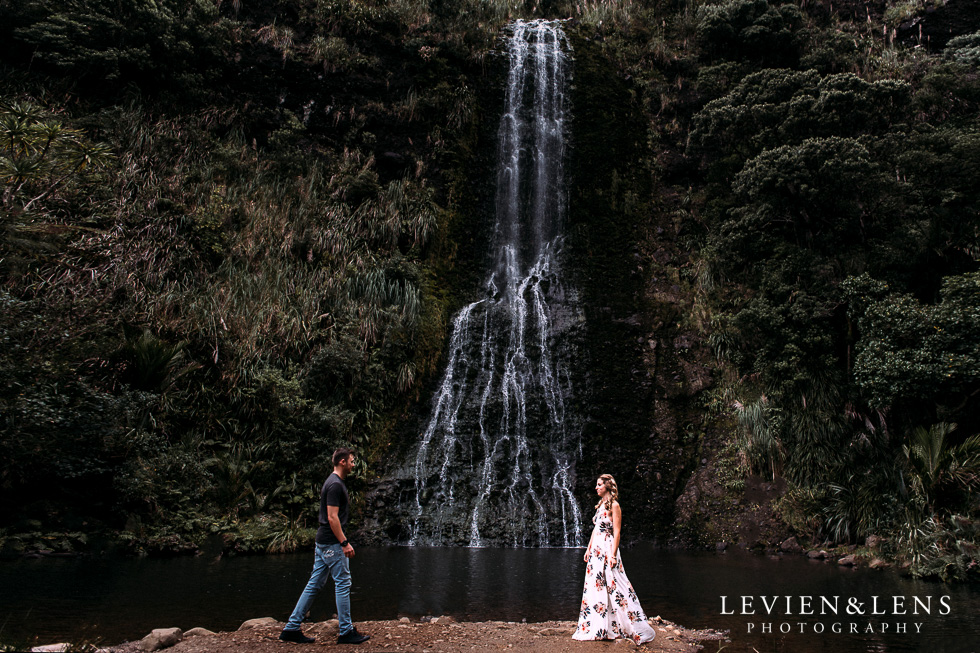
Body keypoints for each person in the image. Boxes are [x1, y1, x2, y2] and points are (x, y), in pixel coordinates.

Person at [280, 448, 370, 645]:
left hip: (323, 541)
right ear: (343, 462)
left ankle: (291, 627)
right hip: (332, 542)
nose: (354, 464)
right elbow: (332, 517)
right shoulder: (335, 485)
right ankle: (346, 631)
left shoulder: (332, 482)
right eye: (352, 461)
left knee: (315, 583)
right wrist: (344, 542)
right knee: (343, 582)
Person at [572, 474, 657, 645]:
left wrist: (612, 554)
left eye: (599, 485)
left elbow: (616, 532)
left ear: (608, 487)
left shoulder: (615, 506)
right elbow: (595, 530)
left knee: (614, 583)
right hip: (596, 549)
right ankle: (599, 626)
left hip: (607, 548)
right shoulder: (600, 505)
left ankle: (627, 623)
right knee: (596, 585)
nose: (596, 487)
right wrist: (588, 549)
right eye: (596, 485)